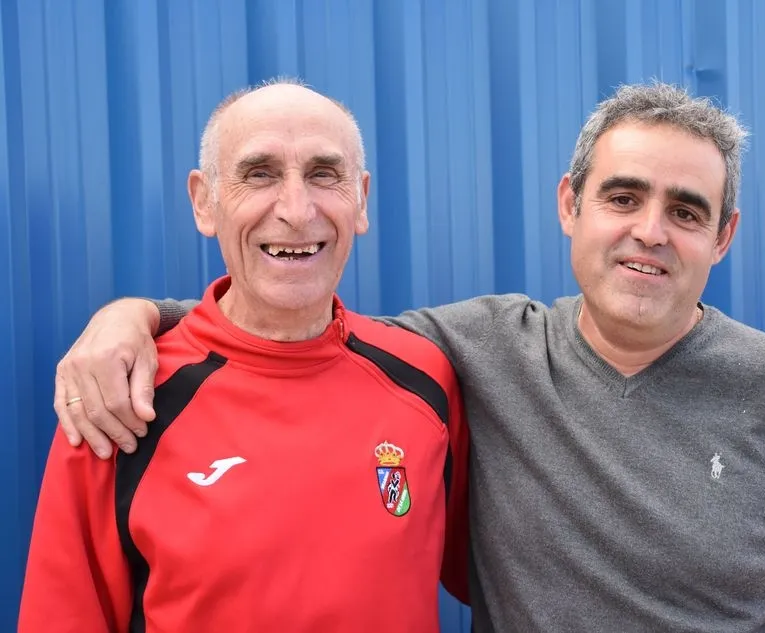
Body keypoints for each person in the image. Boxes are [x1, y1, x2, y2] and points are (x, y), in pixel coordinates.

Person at [54, 81, 765, 632]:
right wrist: (133, 318)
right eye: (623, 197)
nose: (650, 231)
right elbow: (286, 322)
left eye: (686, 211)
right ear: (570, 205)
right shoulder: (470, 353)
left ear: (724, 237)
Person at [20, 79, 469, 632]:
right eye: (259, 174)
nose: (297, 210)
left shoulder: (425, 378)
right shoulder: (119, 397)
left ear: (361, 199)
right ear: (203, 201)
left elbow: (491, 574)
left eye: (324, 174)